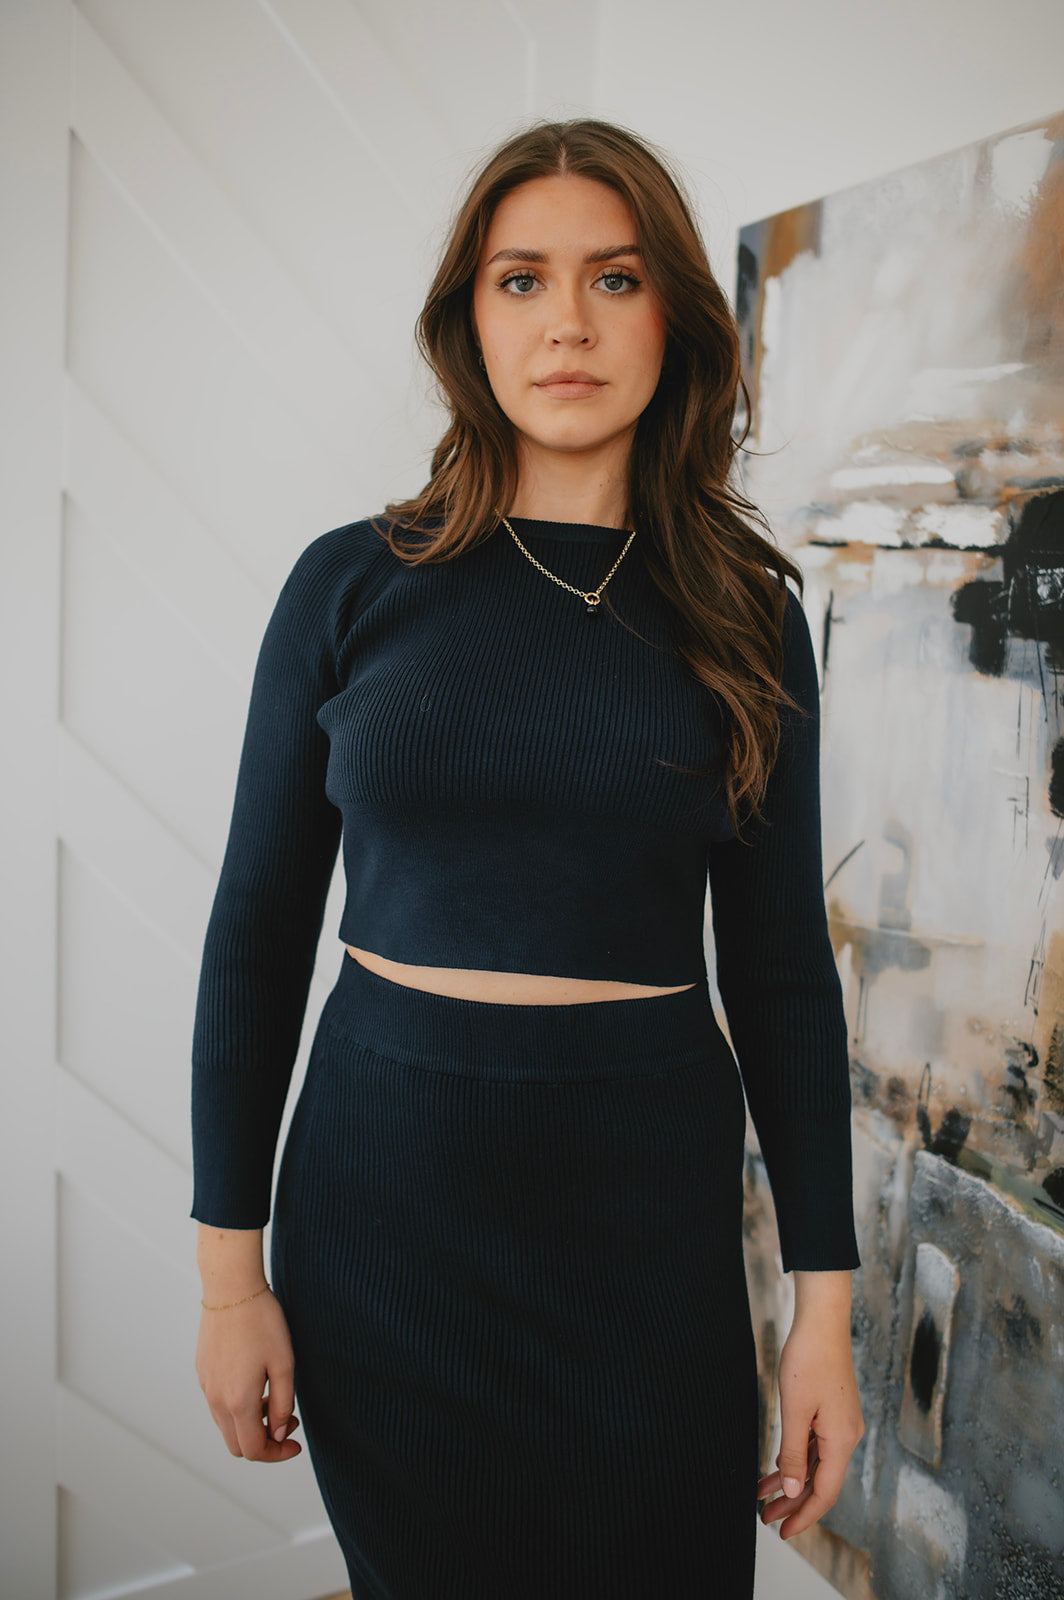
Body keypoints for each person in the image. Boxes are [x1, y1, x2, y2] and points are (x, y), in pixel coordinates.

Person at [191, 116, 864, 1599]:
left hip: (643, 1220)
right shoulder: (352, 583)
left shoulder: (745, 611)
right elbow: (256, 928)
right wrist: (231, 1282)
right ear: (470, 322)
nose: (568, 322)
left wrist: (825, 1313)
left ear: (675, 317)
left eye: (615, 278)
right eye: (522, 280)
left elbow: (780, 977)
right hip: (388, 1199)